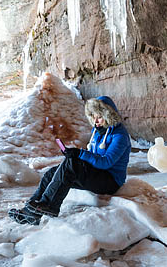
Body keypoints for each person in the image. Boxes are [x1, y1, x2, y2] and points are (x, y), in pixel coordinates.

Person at [8, 95, 131, 225]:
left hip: (110, 181)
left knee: (73, 163)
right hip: (98, 173)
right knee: (53, 173)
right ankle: (30, 211)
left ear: (108, 115)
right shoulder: (99, 131)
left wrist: (79, 154)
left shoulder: (120, 135)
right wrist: (76, 154)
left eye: (99, 117)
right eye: (94, 116)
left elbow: (106, 162)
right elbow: (93, 156)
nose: (96, 121)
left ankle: (50, 205)